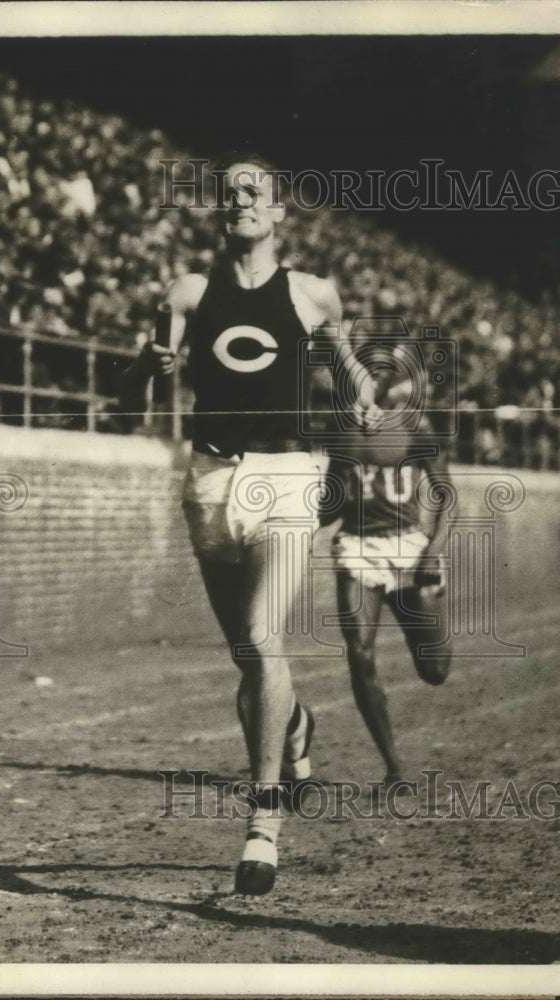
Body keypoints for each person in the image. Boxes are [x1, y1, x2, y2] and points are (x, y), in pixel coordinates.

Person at [120, 153, 380, 895]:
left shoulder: (311, 293)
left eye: (253, 191)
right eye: (228, 192)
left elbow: (350, 369)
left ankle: (263, 822)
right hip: (209, 480)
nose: (239, 200)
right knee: (248, 655)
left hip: (287, 476)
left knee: (265, 640)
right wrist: (146, 369)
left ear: (276, 212)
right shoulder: (188, 292)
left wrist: (365, 398)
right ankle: (293, 726)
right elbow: (131, 398)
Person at [318, 343, 453, 789]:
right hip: (357, 547)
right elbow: (329, 508)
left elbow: (448, 500)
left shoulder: (416, 429)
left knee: (435, 671)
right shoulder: (342, 430)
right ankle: (394, 768)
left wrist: (432, 551)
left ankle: (434, 608)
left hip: (410, 546)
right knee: (360, 653)